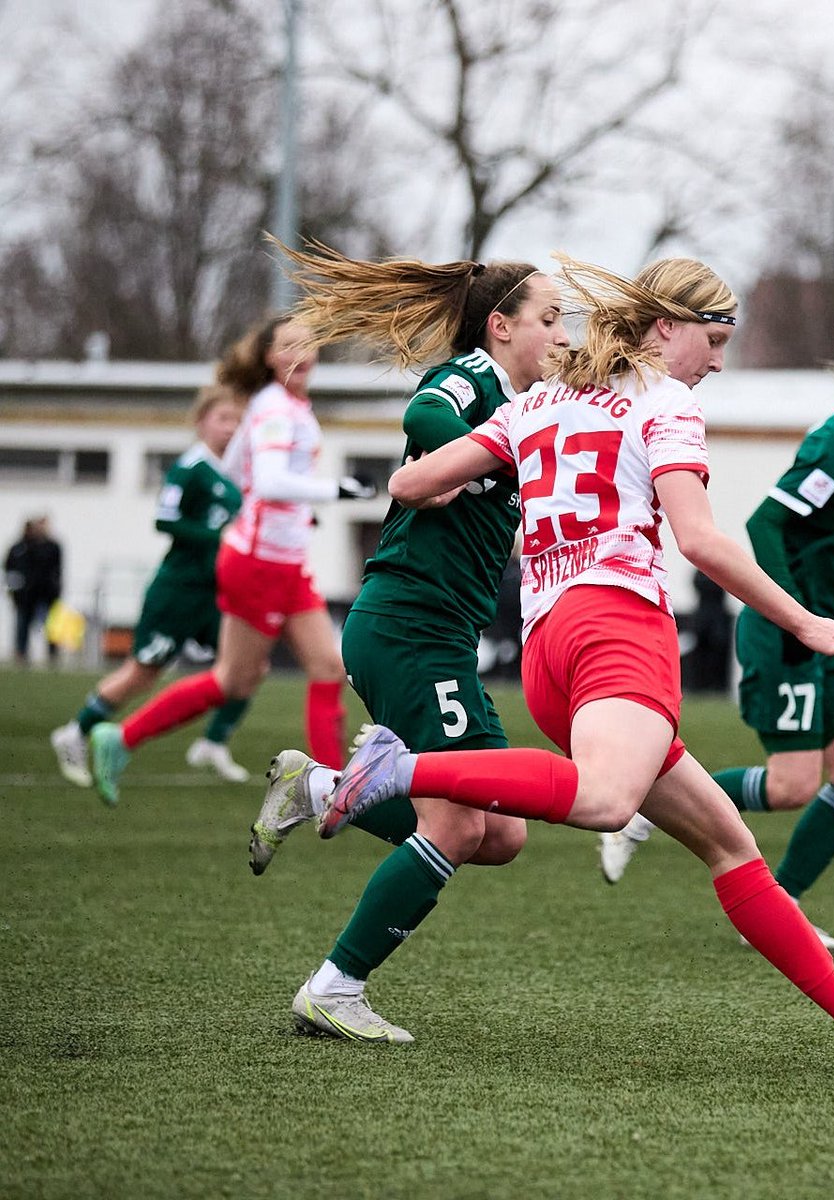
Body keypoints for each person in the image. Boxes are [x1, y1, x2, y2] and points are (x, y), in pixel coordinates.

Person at [307, 255, 834, 1069]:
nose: (719, 362)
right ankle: (402, 770)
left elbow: (415, 482)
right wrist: (806, 622)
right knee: (602, 802)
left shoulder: (540, 402)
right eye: (714, 339)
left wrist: (464, 476)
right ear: (665, 328)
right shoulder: (665, 402)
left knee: (733, 849)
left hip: (548, 646)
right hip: (617, 632)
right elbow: (698, 539)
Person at [245, 247, 570, 1044]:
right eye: (551, 319)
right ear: (501, 327)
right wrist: (463, 460)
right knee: (458, 825)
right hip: (407, 627)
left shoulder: (525, 406)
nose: (563, 335)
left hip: (436, 637)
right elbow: (427, 413)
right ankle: (334, 987)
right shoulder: (476, 379)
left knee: (503, 833)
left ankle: (321, 790)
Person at [597, 321, 834, 955]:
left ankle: (783, 908)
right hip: (787, 629)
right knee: (791, 787)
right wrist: (794, 618)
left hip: (826, 631)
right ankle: (645, 803)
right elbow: (766, 523)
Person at [87, 315, 377, 805]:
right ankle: (119, 738)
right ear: (269, 356)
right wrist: (336, 490)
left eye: (308, 344)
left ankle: (332, 791)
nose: (300, 353)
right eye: (288, 345)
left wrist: (282, 513)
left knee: (328, 669)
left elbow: (240, 470)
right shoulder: (275, 409)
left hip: (284, 561)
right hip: (258, 565)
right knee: (232, 679)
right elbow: (267, 481)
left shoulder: (281, 406)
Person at [50, 385, 255, 788]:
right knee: (143, 672)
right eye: (223, 419)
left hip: (218, 592)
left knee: (250, 665)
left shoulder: (233, 473)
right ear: (201, 423)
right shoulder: (190, 467)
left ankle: (213, 742)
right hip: (179, 590)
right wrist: (220, 535)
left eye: (237, 420)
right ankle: (75, 731)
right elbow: (164, 520)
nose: (231, 428)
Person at [5, 516, 63, 664]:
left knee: (50, 626)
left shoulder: (51, 547)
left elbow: (56, 570)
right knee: (23, 624)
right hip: (26, 596)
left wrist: (55, 589)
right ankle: (21, 653)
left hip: (47, 594)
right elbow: (10, 569)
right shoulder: (20, 548)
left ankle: (52, 654)